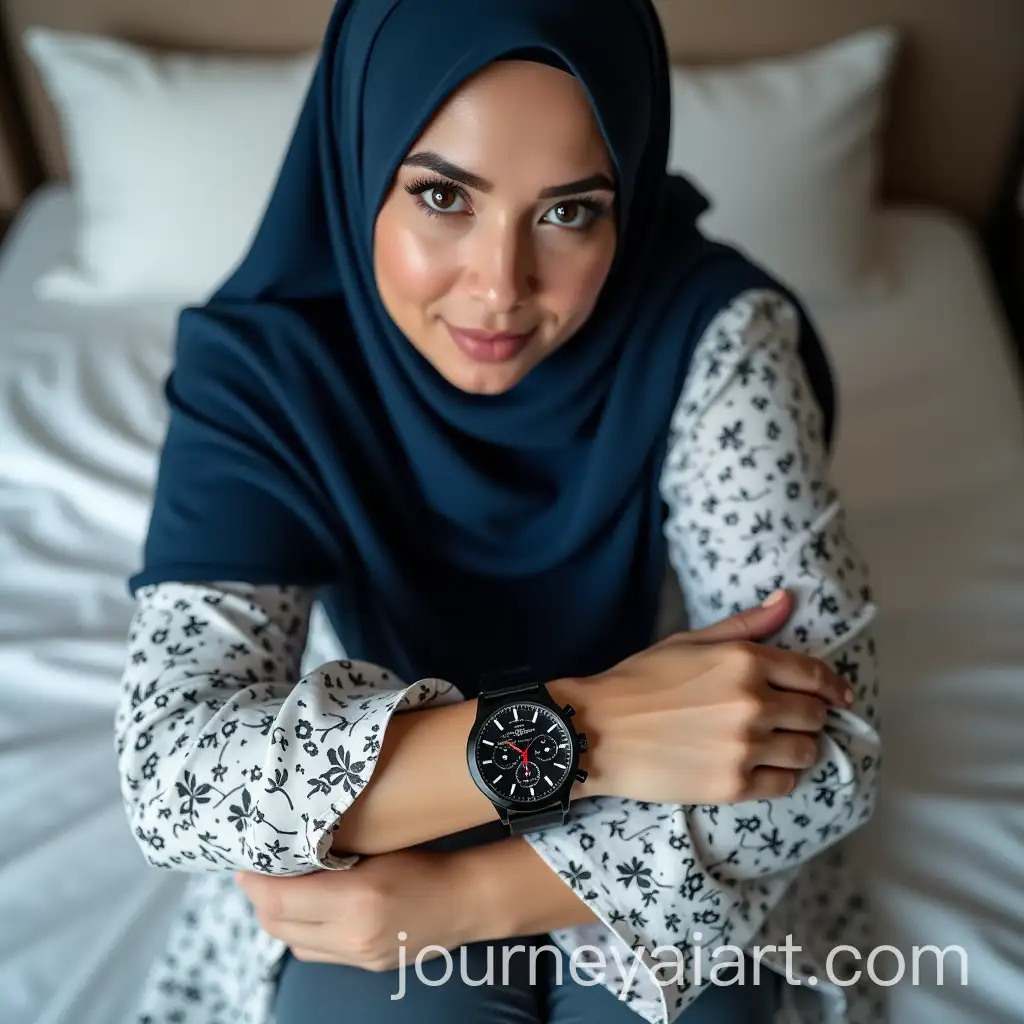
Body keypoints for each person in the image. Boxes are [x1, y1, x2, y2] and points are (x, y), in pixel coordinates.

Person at [115, 1, 883, 1022]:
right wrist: (589, 725)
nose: (500, 288)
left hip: (649, 802)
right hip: (481, 775)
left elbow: (829, 744)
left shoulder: (712, 334)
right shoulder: (264, 372)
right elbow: (174, 778)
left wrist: (471, 898)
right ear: (359, 163)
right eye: (442, 195)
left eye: (570, 210)